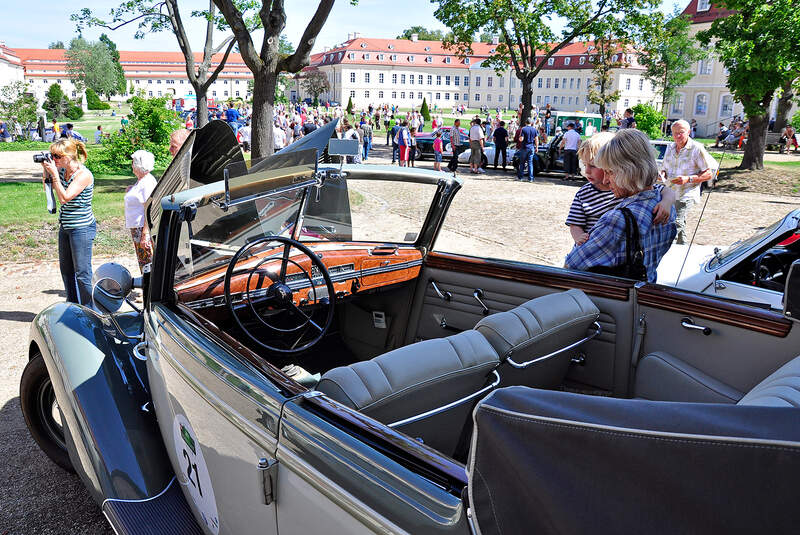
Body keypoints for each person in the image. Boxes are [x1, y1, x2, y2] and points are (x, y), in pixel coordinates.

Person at [565, 129, 676, 283]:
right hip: (647, 286)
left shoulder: (617, 220)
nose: (605, 180)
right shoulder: (664, 206)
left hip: (614, 296)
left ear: (627, 171)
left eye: (609, 172)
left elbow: (572, 265)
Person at [39, 138, 96, 305]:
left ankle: (90, 309)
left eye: (57, 156)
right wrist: (47, 171)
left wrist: (55, 175)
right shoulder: (62, 171)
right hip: (66, 226)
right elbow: (47, 187)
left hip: (82, 228)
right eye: (52, 156)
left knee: (82, 273)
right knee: (66, 271)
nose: (54, 159)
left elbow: (64, 198)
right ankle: (73, 305)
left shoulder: (84, 175)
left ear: (69, 156)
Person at [661, 119, 718, 244]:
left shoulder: (696, 148)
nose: (677, 136)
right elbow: (665, 168)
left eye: (681, 132)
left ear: (689, 132)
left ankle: (669, 252)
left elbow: (709, 173)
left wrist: (688, 179)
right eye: (674, 133)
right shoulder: (670, 147)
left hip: (686, 193)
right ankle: (682, 248)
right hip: (670, 192)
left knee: (676, 223)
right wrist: (662, 174)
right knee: (678, 225)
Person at [125, 150, 157, 273]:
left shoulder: (147, 182)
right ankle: (148, 286)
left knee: (147, 262)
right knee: (143, 261)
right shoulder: (142, 181)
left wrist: (145, 234)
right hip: (137, 228)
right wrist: (131, 189)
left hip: (142, 228)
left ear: (139, 165)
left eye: (133, 162)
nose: (132, 165)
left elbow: (149, 209)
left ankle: (150, 288)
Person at [516, 118, 538, 182]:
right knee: (530, 163)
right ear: (531, 123)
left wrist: (519, 138)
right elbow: (536, 139)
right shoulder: (534, 129)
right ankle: (530, 178)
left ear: (526, 123)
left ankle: (521, 177)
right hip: (531, 147)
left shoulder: (523, 129)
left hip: (524, 147)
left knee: (522, 163)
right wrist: (536, 147)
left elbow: (521, 139)